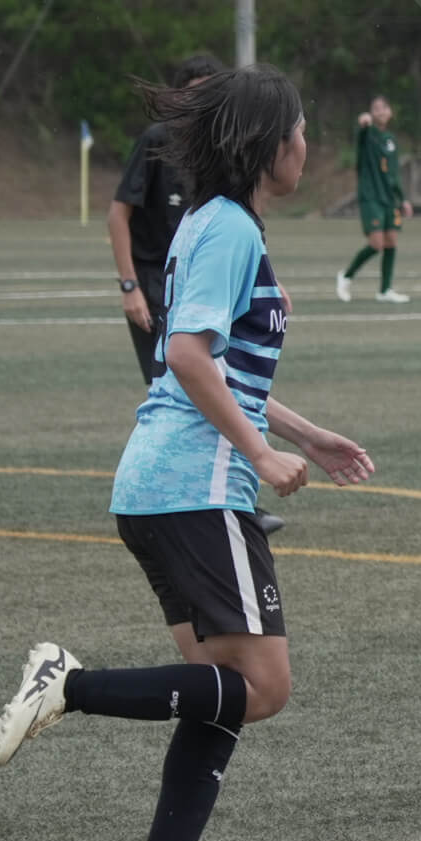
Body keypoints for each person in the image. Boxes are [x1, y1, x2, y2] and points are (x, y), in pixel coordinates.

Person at [0, 64, 376, 841]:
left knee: (219, 691)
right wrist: (262, 456)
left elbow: (219, 365)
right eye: (300, 129)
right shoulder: (229, 229)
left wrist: (306, 434)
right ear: (268, 146)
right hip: (195, 489)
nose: (307, 142)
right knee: (264, 687)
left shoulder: (210, 221)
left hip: (159, 486)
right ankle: (67, 684)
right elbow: (187, 357)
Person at [108, 54, 286, 537]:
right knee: (182, 384)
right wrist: (130, 286)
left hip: (197, 281)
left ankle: (229, 492)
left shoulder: (218, 200)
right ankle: (206, 493)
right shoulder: (162, 147)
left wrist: (260, 283)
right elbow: (119, 213)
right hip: (159, 283)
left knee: (203, 379)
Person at [337, 95, 413, 304]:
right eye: (375, 108)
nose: (380, 111)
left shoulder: (391, 139)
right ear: (371, 113)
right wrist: (363, 123)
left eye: (383, 107)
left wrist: (402, 199)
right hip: (371, 197)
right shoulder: (367, 133)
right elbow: (362, 128)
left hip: (390, 198)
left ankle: (385, 290)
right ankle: (346, 276)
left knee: (391, 241)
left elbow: (394, 173)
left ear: (390, 112)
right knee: (376, 244)